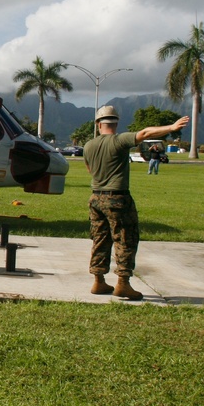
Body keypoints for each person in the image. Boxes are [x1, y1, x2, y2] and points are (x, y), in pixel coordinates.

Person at [83, 105, 189, 300]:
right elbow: (145, 132)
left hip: (95, 197)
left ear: (98, 124)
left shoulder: (89, 145)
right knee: (125, 239)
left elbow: (90, 170)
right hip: (117, 197)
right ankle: (123, 284)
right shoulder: (119, 140)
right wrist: (172, 127)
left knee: (100, 238)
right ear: (116, 123)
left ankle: (98, 281)